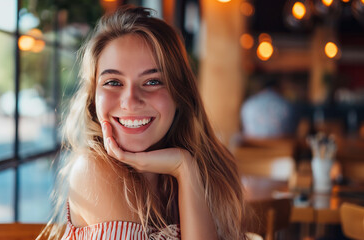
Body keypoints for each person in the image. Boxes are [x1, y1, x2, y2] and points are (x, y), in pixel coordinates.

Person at [40, 5, 247, 240]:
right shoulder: (94, 170)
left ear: (180, 95)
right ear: (93, 99)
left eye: (152, 81)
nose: (131, 101)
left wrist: (185, 169)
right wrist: (183, 167)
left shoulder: (211, 172)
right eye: (113, 82)